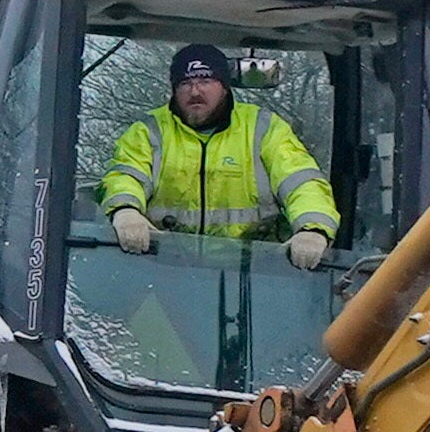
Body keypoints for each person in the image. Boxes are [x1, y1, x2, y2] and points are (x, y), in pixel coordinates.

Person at [100, 43, 338, 266]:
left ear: (224, 87)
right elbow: (126, 176)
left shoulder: (263, 129)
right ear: (173, 89)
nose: (195, 91)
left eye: (205, 80)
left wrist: (312, 230)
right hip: (163, 269)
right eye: (185, 83)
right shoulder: (148, 131)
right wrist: (126, 210)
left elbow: (302, 183)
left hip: (255, 274)